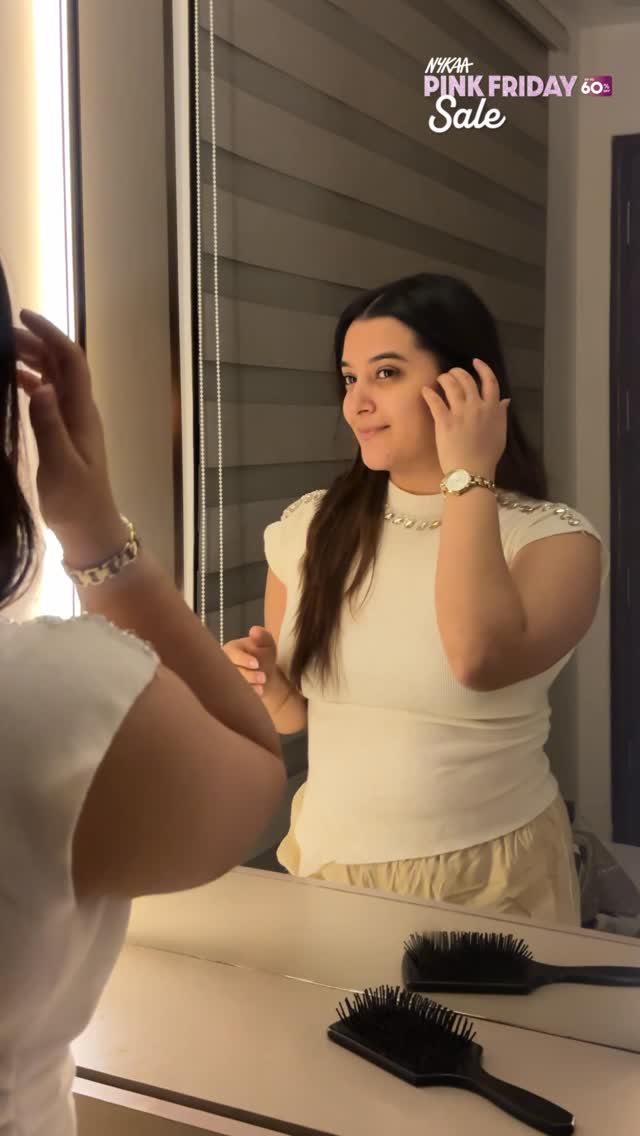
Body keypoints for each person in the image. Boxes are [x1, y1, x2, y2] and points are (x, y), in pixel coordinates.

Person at [0, 260, 287, 1136]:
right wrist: (96, 535)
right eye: (352, 376)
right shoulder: (48, 703)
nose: (362, 401)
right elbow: (259, 764)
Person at [224, 273, 608, 925]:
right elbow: (300, 718)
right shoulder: (309, 528)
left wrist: (469, 475)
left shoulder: (553, 541)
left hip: (491, 877)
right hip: (328, 867)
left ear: (467, 385)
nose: (357, 403)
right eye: (349, 378)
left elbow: (476, 658)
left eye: (386, 374)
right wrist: (268, 684)